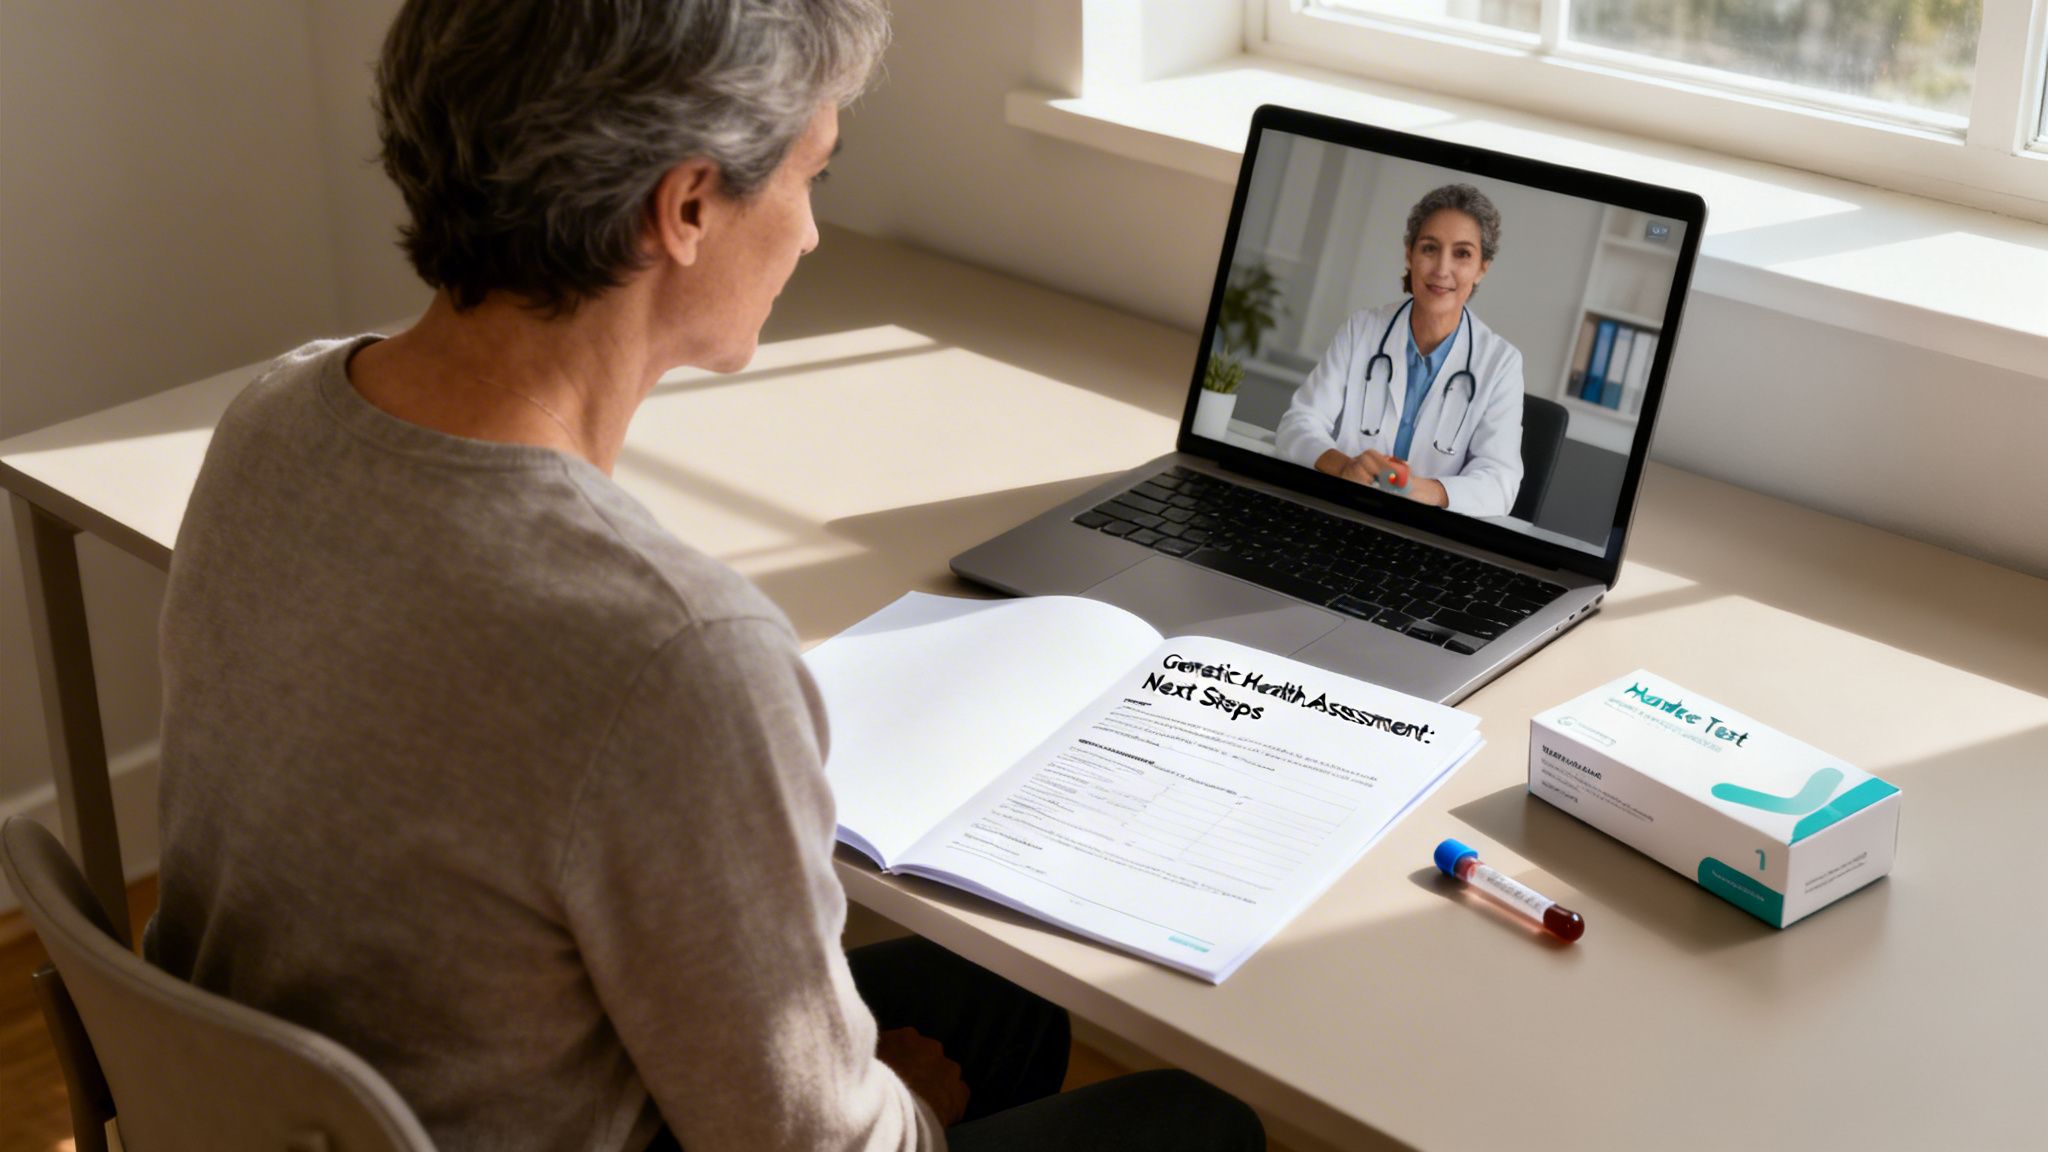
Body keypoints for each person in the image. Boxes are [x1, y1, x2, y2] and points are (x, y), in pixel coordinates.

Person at [143, 2, 1265, 1151]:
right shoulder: (667, 646)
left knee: (1001, 998)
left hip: (308, 1112)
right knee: (1198, 1119)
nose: (813, 233)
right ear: (683, 209)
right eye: (810, 175)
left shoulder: (275, 417)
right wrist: (911, 1106)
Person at [1275, 184, 1525, 518]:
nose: (1441, 269)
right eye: (1429, 248)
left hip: (1429, 535)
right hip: (1340, 513)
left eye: (1462, 253)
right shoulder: (1361, 329)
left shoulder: (1501, 364)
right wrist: (1346, 467)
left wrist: (1417, 488)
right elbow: (1298, 424)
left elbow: (1500, 484)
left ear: (1483, 267)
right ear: (1409, 254)